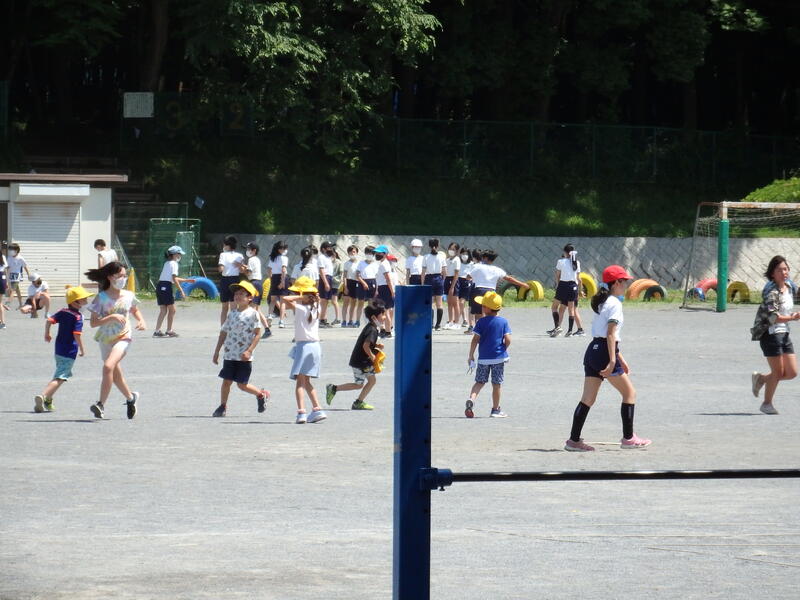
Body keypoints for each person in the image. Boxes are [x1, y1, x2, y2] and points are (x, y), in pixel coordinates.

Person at [564, 265, 651, 451]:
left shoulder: (603, 302)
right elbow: (610, 334)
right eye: (624, 281)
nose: (626, 285)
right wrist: (612, 361)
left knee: (587, 399)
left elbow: (605, 334)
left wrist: (620, 358)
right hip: (604, 352)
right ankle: (629, 438)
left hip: (593, 350)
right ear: (616, 283)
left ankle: (573, 440)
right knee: (629, 393)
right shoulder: (615, 303)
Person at [85, 261, 147, 420]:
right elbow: (93, 323)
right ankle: (131, 398)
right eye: (120, 275)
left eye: (124, 276)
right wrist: (111, 317)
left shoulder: (128, 295)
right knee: (114, 374)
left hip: (124, 337)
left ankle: (100, 404)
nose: (123, 279)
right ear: (110, 277)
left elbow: (134, 309)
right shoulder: (101, 298)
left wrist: (141, 320)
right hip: (105, 338)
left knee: (107, 367)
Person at [211, 280, 270, 417]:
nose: (237, 296)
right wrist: (217, 351)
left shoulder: (253, 314)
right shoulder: (232, 313)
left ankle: (261, 395)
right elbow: (223, 332)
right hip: (230, 354)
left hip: (244, 356)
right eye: (236, 294)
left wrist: (249, 351)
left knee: (241, 385)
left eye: (241, 294)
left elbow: (257, 334)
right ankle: (222, 406)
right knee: (226, 381)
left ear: (250, 298)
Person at [750, 255, 799, 415]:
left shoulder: (790, 286)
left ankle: (762, 379)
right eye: (779, 270)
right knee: (777, 373)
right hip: (770, 335)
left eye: (786, 269)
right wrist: (793, 317)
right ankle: (766, 404)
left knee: (791, 373)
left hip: (784, 334)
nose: (784, 272)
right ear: (772, 274)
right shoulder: (772, 292)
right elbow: (773, 318)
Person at [33, 286, 92, 413]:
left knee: (59, 373)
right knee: (60, 377)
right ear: (75, 302)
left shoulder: (63, 311)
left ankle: (48, 399)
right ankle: (43, 396)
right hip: (69, 351)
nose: (86, 301)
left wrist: (47, 333)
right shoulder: (78, 317)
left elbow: (49, 320)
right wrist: (82, 349)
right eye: (83, 299)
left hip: (58, 349)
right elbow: (77, 334)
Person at [325, 300, 386, 410]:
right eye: (383, 314)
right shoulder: (372, 330)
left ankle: (340, 392)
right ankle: (352, 399)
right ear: (374, 317)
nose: (385, 317)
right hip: (362, 362)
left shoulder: (371, 327)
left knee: (364, 383)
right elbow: (365, 346)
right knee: (365, 383)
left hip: (360, 361)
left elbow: (367, 343)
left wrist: (376, 345)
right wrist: (372, 356)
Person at [281, 276, 327, 424]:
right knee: (307, 381)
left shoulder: (301, 308)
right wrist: (307, 296)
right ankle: (317, 409)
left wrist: (301, 296)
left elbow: (284, 299)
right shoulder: (317, 307)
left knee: (300, 382)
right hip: (316, 347)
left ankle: (301, 412)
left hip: (304, 346)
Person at [465, 291, 511, 418]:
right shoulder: (503, 322)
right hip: (498, 358)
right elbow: (508, 339)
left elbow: (475, 339)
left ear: (487, 308)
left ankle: (471, 399)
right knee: (496, 384)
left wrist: (471, 355)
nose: (481, 307)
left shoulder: (481, 322)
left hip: (483, 359)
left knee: (479, 382)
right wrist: (503, 348)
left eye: (483, 305)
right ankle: (495, 410)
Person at [467, 249, 529, 333]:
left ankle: (480, 331)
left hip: (479, 290)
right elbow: (509, 278)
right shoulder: (497, 269)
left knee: (479, 313)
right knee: (492, 312)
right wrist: (522, 284)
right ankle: (492, 329)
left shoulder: (477, 266)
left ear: (485, 258)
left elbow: (468, 276)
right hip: (491, 292)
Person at [153, 246, 195, 338]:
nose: (180, 256)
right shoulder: (174, 264)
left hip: (160, 286)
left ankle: (157, 331)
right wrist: (181, 291)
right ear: (174, 254)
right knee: (172, 310)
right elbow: (174, 279)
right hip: (166, 287)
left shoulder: (167, 263)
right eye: (179, 254)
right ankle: (169, 331)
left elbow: (172, 278)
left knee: (163, 310)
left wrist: (186, 280)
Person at [547, 243, 585, 338]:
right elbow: (579, 278)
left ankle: (557, 327)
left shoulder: (561, 261)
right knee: (570, 309)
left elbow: (557, 275)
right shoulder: (577, 262)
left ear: (565, 252)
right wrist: (580, 290)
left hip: (563, 285)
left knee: (554, 307)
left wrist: (558, 285)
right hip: (573, 286)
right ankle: (569, 331)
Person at [240, 241, 271, 338]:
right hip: (258, 283)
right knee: (256, 309)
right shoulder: (256, 259)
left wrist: (242, 269)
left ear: (254, 250)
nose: (247, 251)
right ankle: (267, 329)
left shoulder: (251, 259)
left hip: (254, 284)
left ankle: (250, 330)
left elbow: (249, 273)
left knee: (252, 309)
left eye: (249, 249)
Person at [218, 235, 244, 325]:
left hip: (225, 280)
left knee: (224, 306)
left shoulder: (223, 255)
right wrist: (240, 266)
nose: (223, 246)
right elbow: (242, 271)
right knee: (234, 305)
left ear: (228, 245)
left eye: (224, 244)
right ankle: (233, 326)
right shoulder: (239, 256)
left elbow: (221, 269)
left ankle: (223, 327)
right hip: (235, 280)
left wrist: (220, 268)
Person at [421, 238, 446, 330]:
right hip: (438, 278)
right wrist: (442, 280)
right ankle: (438, 325)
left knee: (429, 303)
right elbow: (444, 271)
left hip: (429, 279)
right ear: (438, 245)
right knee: (439, 304)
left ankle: (430, 324)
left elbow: (423, 272)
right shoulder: (441, 257)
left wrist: (422, 283)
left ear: (429, 246)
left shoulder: (426, 257)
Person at [266, 240, 290, 329]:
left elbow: (269, 270)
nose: (285, 250)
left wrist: (271, 279)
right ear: (281, 249)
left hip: (274, 277)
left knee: (273, 300)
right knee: (282, 301)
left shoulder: (273, 257)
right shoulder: (284, 258)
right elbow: (283, 270)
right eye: (284, 248)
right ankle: (281, 321)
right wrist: (282, 282)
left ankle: (269, 315)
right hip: (282, 277)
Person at [355, 245, 379, 328]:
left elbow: (377, 277)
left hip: (373, 282)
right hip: (362, 282)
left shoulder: (376, 264)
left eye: (371, 253)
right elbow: (357, 275)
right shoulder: (361, 263)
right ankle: (357, 321)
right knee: (360, 302)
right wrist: (363, 283)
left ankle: (371, 321)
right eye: (367, 253)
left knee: (371, 303)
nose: (369, 255)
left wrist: (377, 289)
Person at [374, 245, 395, 337]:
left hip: (385, 289)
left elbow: (388, 279)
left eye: (379, 253)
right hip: (383, 288)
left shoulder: (384, 264)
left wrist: (392, 291)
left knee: (385, 311)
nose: (377, 254)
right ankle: (385, 329)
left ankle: (388, 331)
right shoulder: (383, 263)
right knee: (384, 311)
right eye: (376, 253)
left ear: (385, 254)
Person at [444, 242, 462, 329]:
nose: (451, 250)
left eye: (453, 249)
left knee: (455, 303)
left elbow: (456, 274)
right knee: (449, 302)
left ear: (457, 251)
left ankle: (457, 323)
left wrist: (452, 287)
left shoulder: (457, 259)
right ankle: (450, 321)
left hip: (453, 280)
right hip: (447, 279)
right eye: (450, 249)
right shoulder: (447, 260)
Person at [6, 243, 30, 310]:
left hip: (17, 276)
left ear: (16, 250)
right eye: (9, 249)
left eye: (11, 249)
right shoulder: (9, 258)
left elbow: (25, 267)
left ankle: (8, 303)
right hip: (11, 276)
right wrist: (6, 276)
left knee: (13, 290)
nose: (10, 251)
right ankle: (21, 304)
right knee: (17, 290)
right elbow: (8, 267)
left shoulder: (20, 258)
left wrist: (28, 274)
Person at [318, 241, 336, 328]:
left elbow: (334, 257)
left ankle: (323, 319)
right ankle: (320, 320)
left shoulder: (328, 257)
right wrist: (325, 283)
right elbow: (321, 271)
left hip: (329, 277)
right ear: (323, 249)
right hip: (325, 278)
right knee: (323, 300)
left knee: (326, 300)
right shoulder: (321, 257)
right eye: (329, 247)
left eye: (331, 247)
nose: (331, 249)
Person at [342, 245, 360, 327]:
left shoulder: (359, 263)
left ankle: (350, 320)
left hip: (356, 283)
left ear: (356, 252)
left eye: (354, 252)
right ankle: (344, 320)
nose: (352, 253)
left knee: (353, 303)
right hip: (348, 282)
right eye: (350, 252)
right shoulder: (346, 263)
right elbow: (345, 276)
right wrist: (345, 286)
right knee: (346, 302)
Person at [458, 247, 474, 329]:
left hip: (467, 282)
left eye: (466, 254)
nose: (464, 255)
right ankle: (464, 319)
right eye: (463, 253)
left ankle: (457, 319)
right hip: (458, 281)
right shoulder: (458, 262)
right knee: (460, 303)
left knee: (461, 302)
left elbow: (473, 274)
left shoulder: (471, 264)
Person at [329, 245, 343, 326]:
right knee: (327, 301)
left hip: (335, 284)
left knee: (334, 301)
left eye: (332, 254)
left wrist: (333, 279)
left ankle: (338, 319)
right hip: (328, 283)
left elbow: (341, 274)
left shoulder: (339, 262)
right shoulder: (328, 261)